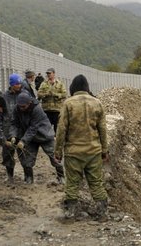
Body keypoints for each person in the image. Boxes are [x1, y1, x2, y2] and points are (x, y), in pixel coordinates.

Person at [54, 74, 109, 221]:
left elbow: (61, 129)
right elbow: (102, 129)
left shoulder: (68, 104)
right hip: (93, 151)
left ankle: (71, 212)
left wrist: (58, 151)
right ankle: (102, 212)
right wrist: (104, 150)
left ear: (73, 87)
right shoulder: (97, 103)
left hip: (73, 152)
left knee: (72, 183)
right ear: (87, 87)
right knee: (96, 182)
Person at [9, 92, 64, 184]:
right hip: (30, 137)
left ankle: (61, 176)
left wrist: (23, 141)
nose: (21, 108)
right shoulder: (16, 108)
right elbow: (14, 123)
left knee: (54, 156)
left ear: (29, 103)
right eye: (20, 106)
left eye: (24, 106)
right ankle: (29, 178)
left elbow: (33, 127)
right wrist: (13, 136)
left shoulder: (37, 109)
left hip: (44, 135)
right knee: (27, 159)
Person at [0, 73, 26, 184]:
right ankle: (10, 176)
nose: (19, 85)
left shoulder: (25, 94)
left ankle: (27, 176)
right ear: (11, 84)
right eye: (16, 84)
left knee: (24, 152)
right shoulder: (4, 97)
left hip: (22, 128)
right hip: (7, 128)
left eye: (20, 83)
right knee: (7, 153)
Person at [37, 68, 66, 134]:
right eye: (47, 73)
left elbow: (64, 94)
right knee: (46, 128)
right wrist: (46, 94)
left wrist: (56, 95)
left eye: (49, 73)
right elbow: (39, 94)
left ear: (54, 73)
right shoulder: (44, 84)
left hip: (57, 109)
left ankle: (57, 140)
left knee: (58, 128)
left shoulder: (60, 84)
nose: (48, 75)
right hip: (47, 109)